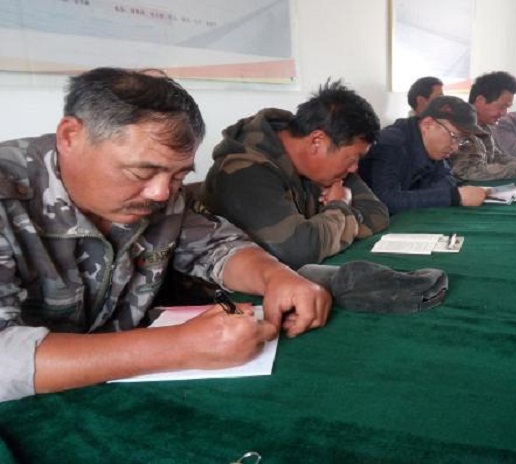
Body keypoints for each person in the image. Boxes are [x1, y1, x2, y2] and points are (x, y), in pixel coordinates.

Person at [0, 67, 331, 403]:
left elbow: (216, 246)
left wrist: (275, 276)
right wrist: (180, 347)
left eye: (178, 176)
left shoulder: (159, 194)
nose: (161, 193)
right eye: (141, 171)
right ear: (71, 136)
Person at [197, 81, 389, 270]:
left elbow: (377, 213)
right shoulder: (245, 170)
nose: (354, 168)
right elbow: (299, 251)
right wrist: (340, 205)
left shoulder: (326, 165)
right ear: (317, 141)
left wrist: (325, 230)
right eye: (353, 158)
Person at [358, 95, 488, 215]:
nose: (455, 147)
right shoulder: (392, 144)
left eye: (462, 140)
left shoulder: (433, 147)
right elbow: (387, 201)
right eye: (454, 136)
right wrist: (455, 196)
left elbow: (446, 180)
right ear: (428, 125)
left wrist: (424, 195)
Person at [447, 71, 516, 181]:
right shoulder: (458, 127)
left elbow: (496, 158)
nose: (504, 113)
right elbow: (469, 171)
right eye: (502, 107)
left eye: (507, 108)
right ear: (480, 100)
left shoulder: (484, 127)